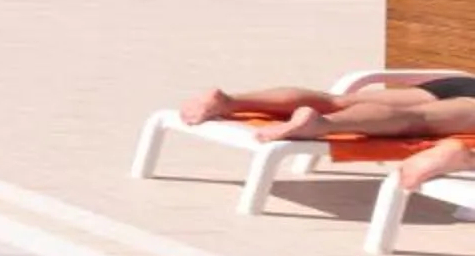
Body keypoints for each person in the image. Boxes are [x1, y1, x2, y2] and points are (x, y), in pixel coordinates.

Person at [178, 75, 475, 191]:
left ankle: (230, 101)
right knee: (418, 119)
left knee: (336, 100)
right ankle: (323, 125)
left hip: (462, 83)